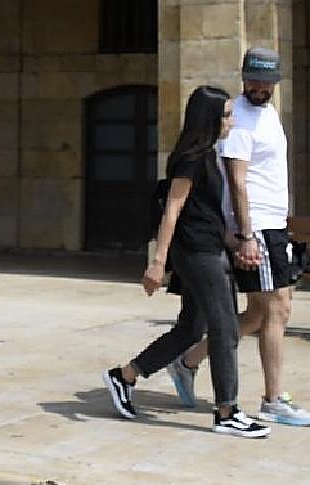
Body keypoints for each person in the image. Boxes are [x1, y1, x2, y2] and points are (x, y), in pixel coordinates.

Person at [101, 85, 269, 437]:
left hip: (209, 248)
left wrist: (237, 242)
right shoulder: (192, 158)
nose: (232, 121)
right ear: (209, 119)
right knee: (225, 328)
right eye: (226, 115)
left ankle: (125, 376)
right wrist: (157, 262)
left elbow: (205, 212)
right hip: (197, 253)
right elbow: (173, 210)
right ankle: (227, 411)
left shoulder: (209, 155)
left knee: (192, 328)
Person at [176, 48, 310, 425]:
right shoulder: (239, 119)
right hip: (256, 227)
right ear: (243, 77)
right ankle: (273, 399)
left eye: (266, 82)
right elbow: (237, 181)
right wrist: (246, 235)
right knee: (275, 309)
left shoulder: (268, 113)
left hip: (273, 224)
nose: (259, 88)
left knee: (260, 313)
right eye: (254, 80)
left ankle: (188, 361)